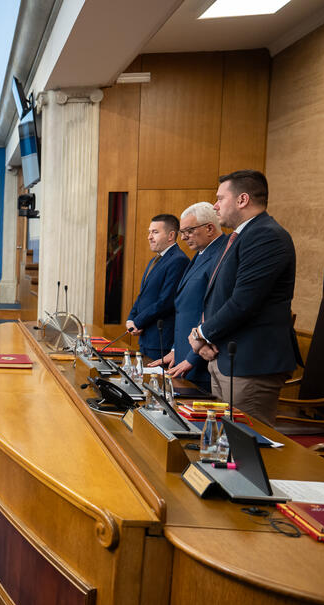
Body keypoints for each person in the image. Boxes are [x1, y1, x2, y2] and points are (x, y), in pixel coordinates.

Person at [190, 170, 298, 425]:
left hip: (250, 364)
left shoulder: (266, 236)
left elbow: (243, 303)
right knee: (221, 440)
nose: (215, 206)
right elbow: (218, 296)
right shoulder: (240, 237)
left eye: (220, 198)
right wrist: (203, 337)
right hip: (225, 358)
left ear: (242, 199)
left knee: (246, 442)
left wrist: (201, 334)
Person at [148, 202, 227, 392]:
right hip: (185, 355)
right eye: (182, 232)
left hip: (202, 360)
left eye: (188, 231)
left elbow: (212, 310)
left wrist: (192, 357)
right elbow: (185, 308)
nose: (183, 237)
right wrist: (176, 350)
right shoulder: (200, 254)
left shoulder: (221, 255)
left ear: (209, 228)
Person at [126, 214, 189, 361]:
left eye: (155, 232)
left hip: (160, 340)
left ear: (171, 235)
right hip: (146, 337)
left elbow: (166, 301)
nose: (149, 237)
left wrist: (138, 322)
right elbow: (143, 295)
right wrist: (131, 319)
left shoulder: (178, 260)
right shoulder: (155, 260)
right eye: (149, 232)